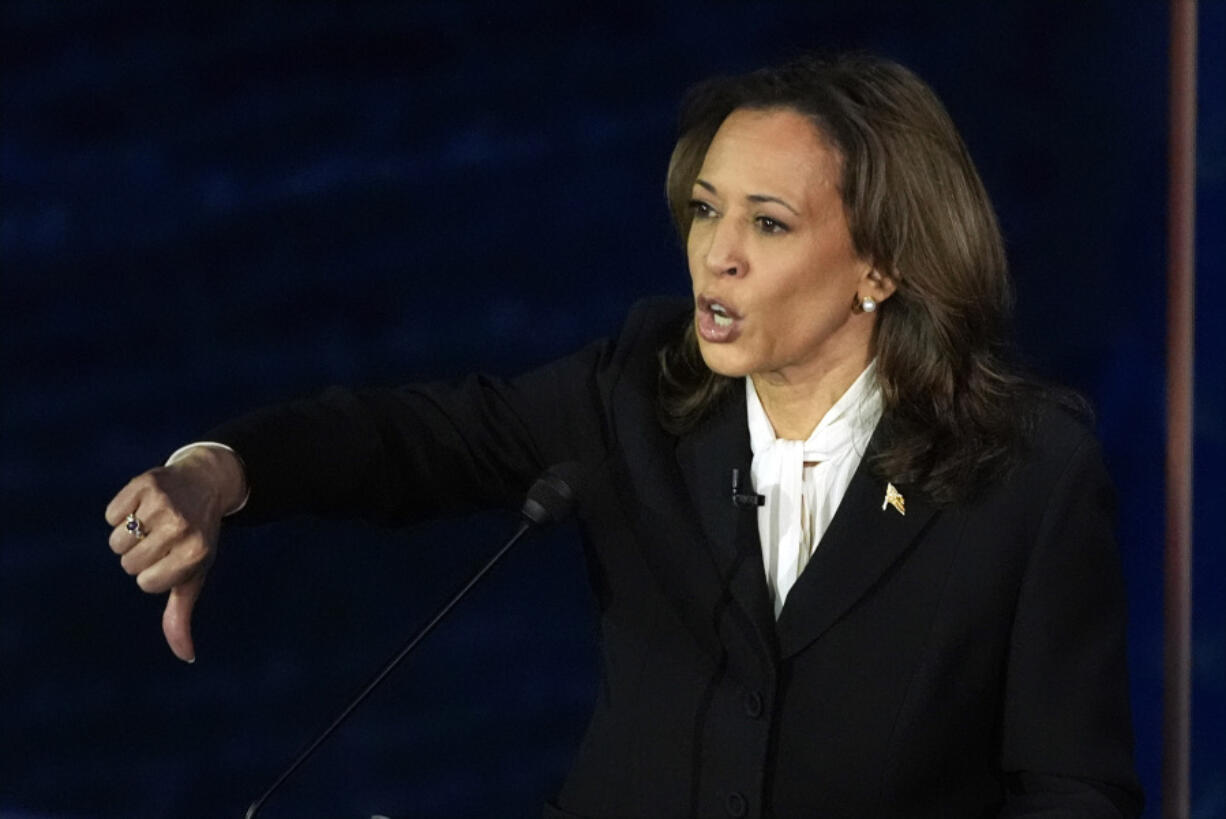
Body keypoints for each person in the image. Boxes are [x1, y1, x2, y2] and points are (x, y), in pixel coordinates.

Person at [105, 52, 1142, 817]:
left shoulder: (1021, 467)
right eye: (704, 211)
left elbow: (1072, 791)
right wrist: (219, 473)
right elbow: (414, 439)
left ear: (881, 267)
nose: (715, 258)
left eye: (766, 224)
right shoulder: (638, 394)